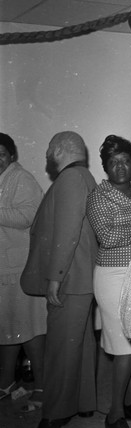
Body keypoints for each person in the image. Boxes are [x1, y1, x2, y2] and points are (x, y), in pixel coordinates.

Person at [20, 131, 98, 428]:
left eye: (50, 150)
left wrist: (55, 279)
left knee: (60, 350)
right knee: (79, 344)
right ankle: (84, 403)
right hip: (81, 278)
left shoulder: (69, 180)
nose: (47, 156)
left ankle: (56, 412)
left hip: (70, 279)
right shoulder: (84, 177)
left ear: (62, 149)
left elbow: (66, 234)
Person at [86, 135, 131, 428]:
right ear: (105, 168)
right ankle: (114, 415)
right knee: (125, 345)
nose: (121, 167)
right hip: (112, 276)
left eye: (125, 160)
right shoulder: (98, 196)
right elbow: (107, 237)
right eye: (113, 163)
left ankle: (129, 401)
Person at [0, 133, 45, 407]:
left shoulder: (21, 178)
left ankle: (42, 386)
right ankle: (5, 382)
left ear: (12, 156)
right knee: (7, 329)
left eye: (1, 154)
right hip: (3, 268)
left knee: (30, 330)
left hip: (19, 269)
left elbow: (27, 216)